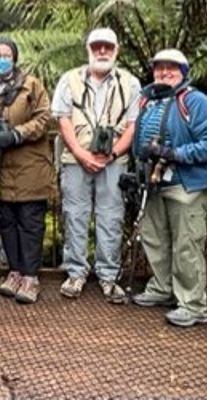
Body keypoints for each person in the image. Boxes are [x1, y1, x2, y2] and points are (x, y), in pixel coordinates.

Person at [131, 49, 207, 327]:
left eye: (172, 68)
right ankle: (163, 288)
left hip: (186, 182)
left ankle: (193, 304)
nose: (164, 73)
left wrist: (174, 153)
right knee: (155, 238)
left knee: (187, 243)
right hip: (155, 182)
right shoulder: (148, 100)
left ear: (183, 72)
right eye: (159, 68)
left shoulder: (196, 102)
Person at [51, 27, 140, 303]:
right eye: (97, 47)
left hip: (114, 160)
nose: (102, 52)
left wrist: (111, 154)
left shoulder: (130, 83)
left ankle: (108, 275)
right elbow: (63, 119)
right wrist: (80, 153)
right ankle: (75, 272)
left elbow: (132, 126)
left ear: (116, 50)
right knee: (75, 215)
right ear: (88, 49)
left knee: (111, 216)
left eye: (108, 47)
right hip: (76, 158)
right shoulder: (69, 80)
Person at [0, 38, 52, 304]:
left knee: (30, 221)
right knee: (6, 221)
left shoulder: (31, 85)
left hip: (30, 163)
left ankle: (31, 277)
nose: (1, 58)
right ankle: (15, 271)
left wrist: (16, 135)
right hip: (0, 166)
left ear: (15, 58)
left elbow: (44, 118)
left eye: (6, 54)